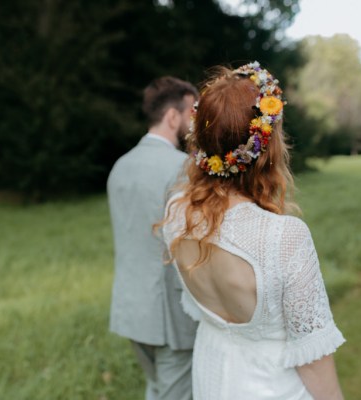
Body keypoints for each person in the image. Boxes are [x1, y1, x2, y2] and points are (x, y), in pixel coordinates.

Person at [160, 62, 346, 400]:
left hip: (212, 376)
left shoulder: (176, 213)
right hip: (272, 388)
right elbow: (314, 357)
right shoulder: (284, 236)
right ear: (268, 148)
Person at [107, 76, 199, 400]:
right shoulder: (184, 167)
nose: (196, 121)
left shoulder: (120, 165)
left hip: (131, 307)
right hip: (170, 313)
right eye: (192, 112)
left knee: (157, 389)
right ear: (173, 116)